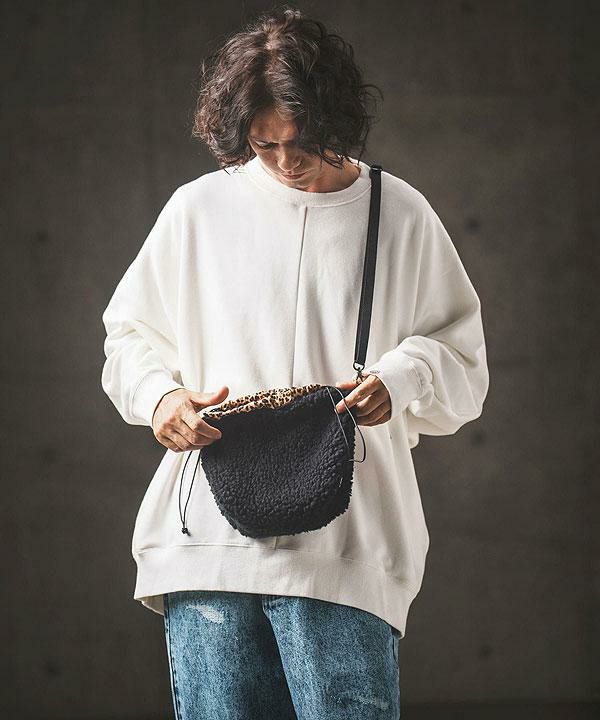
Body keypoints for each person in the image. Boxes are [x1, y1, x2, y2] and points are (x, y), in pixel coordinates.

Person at [100, 6, 489, 719]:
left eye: (302, 140)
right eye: (263, 143)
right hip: (207, 546)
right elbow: (128, 336)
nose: (285, 161)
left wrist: (400, 379)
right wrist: (160, 399)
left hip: (346, 549)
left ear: (336, 116)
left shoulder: (398, 214)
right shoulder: (199, 209)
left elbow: (464, 362)